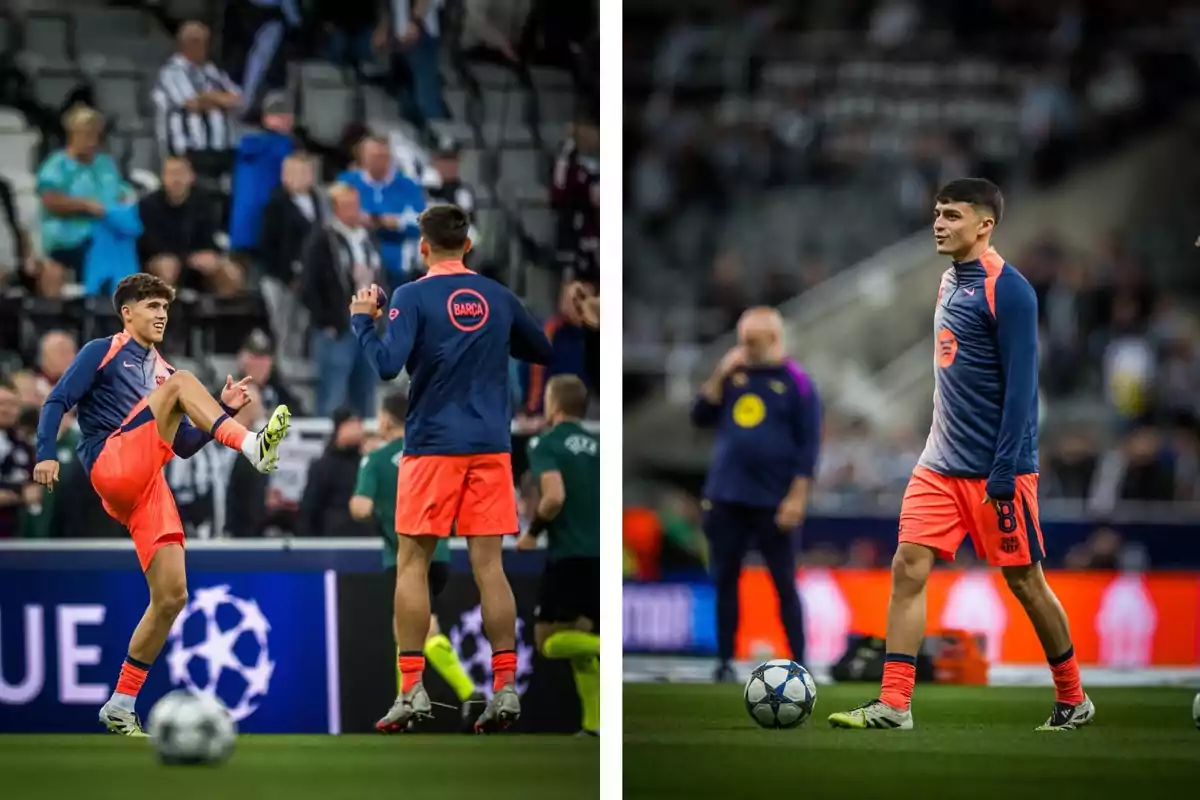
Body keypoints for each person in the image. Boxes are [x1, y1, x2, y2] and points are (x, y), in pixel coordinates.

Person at [827, 178, 1093, 732]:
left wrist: (1005, 467)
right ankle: (894, 704)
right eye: (937, 213)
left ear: (984, 224)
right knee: (907, 566)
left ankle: (1073, 697)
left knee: (1025, 582)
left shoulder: (1010, 290)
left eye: (952, 215)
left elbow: (1022, 388)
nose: (939, 224)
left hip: (997, 469)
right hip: (938, 466)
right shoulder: (948, 281)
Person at [31, 273, 293, 736]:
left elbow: (185, 445)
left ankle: (121, 702)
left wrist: (224, 411)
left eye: (165, 307)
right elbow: (56, 401)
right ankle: (252, 445)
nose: (161, 315)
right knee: (184, 382)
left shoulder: (164, 372)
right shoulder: (103, 351)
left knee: (172, 596)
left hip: (146, 483)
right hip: (111, 461)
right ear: (126, 312)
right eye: (151, 306)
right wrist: (46, 453)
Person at [349, 203, 552, 733]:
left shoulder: (412, 296)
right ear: (468, 245)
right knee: (491, 568)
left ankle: (411, 689)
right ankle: (504, 688)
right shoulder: (498, 296)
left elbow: (387, 365)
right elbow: (542, 349)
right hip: (490, 447)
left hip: (433, 447)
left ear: (423, 247)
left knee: (412, 564)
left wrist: (363, 322)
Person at [690, 306, 820, 683]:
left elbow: (809, 447)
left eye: (753, 341)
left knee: (784, 583)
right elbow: (699, 416)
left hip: (774, 500)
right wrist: (719, 373)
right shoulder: (732, 376)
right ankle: (724, 661)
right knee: (725, 580)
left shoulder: (797, 382)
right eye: (742, 341)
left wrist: (797, 498)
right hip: (726, 495)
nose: (745, 348)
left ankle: (801, 660)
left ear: (774, 340)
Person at [350, 392, 484, 732]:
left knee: (419, 630)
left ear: (385, 419)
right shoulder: (431, 456)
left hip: (405, 558)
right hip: (440, 554)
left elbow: (360, 507)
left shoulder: (376, 459)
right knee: (407, 630)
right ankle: (407, 706)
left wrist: (380, 515)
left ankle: (468, 692)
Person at [517, 375, 600, 735]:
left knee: (547, 641)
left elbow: (553, 496)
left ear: (554, 404)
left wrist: (531, 533)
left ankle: (609, 645)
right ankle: (595, 724)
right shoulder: (600, 444)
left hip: (569, 554)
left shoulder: (546, 443)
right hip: (602, 555)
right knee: (580, 644)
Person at [300, 183, 385, 417]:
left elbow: (381, 276)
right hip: (338, 326)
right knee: (333, 394)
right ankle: (329, 437)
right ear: (335, 208)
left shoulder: (368, 238)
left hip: (369, 324)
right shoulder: (323, 239)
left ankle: (364, 437)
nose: (353, 211)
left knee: (366, 393)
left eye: (355, 205)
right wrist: (326, 321)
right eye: (347, 206)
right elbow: (309, 285)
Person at [36, 105, 131, 287]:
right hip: (69, 240)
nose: (92, 141)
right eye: (86, 135)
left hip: (107, 235)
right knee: (104, 255)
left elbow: (121, 192)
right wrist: (84, 205)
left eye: (95, 135)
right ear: (72, 135)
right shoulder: (57, 165)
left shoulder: (105, 163)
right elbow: (50, 200)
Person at [137, 156, 244, 295]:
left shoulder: (205, 202)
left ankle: (224, 308)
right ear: (163, 177)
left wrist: (210, 255)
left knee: (230, 272)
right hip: (162, 259)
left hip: (196, 259)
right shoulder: (148, 204)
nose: (176, 179)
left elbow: (210, 236)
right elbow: (150, 244)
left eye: (180, 173)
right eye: (171, 174)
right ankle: (167, 308)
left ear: (191, 176)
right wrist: (185, 257)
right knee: (167, 266)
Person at [151, 22, 242, 180]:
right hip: (188, 149)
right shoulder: (171, 72)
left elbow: (238, 100)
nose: (206, 48)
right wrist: (220, 99)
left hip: (220, 148)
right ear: (187, 44)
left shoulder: (213, 70)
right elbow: (192, 103)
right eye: (201, 42)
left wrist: (208, 98)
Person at [297, 408, 375, 538]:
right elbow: (309, 507)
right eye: (351, 424)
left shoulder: (367, 464)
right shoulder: (323, 466)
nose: (358, 428)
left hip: (366, 536)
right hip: (332, 538)